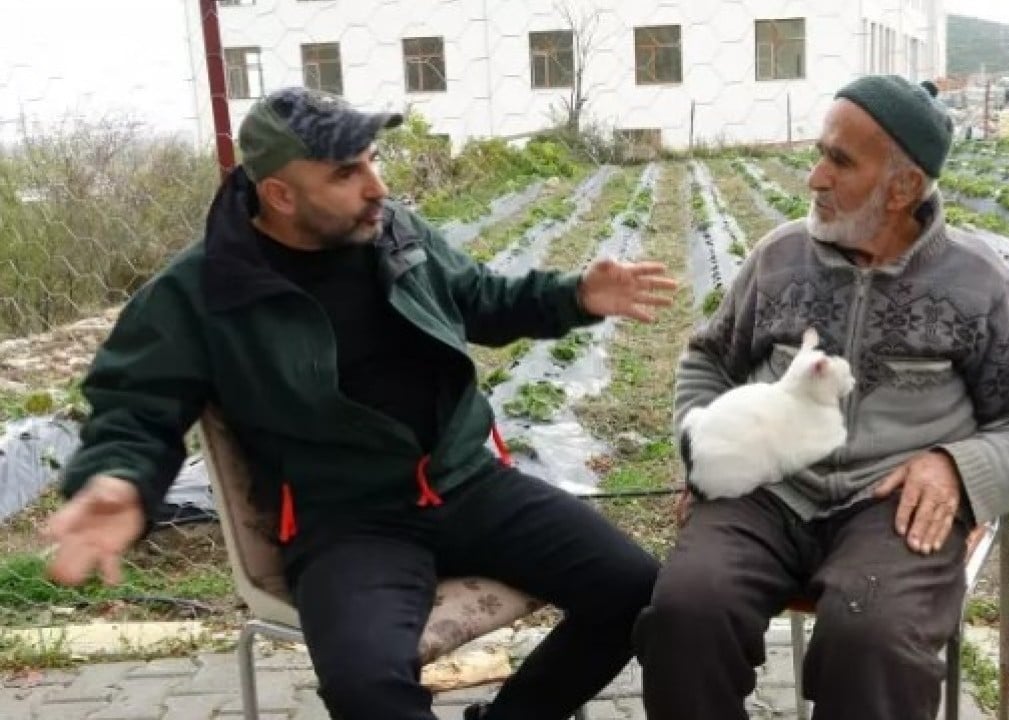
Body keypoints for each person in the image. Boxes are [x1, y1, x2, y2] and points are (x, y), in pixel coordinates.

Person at [42, 87, 677, 720]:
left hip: (467, 484)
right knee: (366, 690)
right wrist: (118, 477)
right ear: (280, 195)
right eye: (347, 173)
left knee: (638, 591)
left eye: (373, 161)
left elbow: (482, 300)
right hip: (347, 521)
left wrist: (574, 296)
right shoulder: (203, 291)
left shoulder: (394, 231)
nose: (377, 187)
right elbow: (135, 405)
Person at [635, 75, 1009, 720]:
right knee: (685, 614)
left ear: (902, 187)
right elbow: (708, 359)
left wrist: (957, 468)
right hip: (767, 490)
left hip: (891, 507)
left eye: (839, 161)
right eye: (820, 153)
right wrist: (701, 451)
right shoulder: (780, 258)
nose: (814, 177)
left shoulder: (976, 283)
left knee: (873, 638)